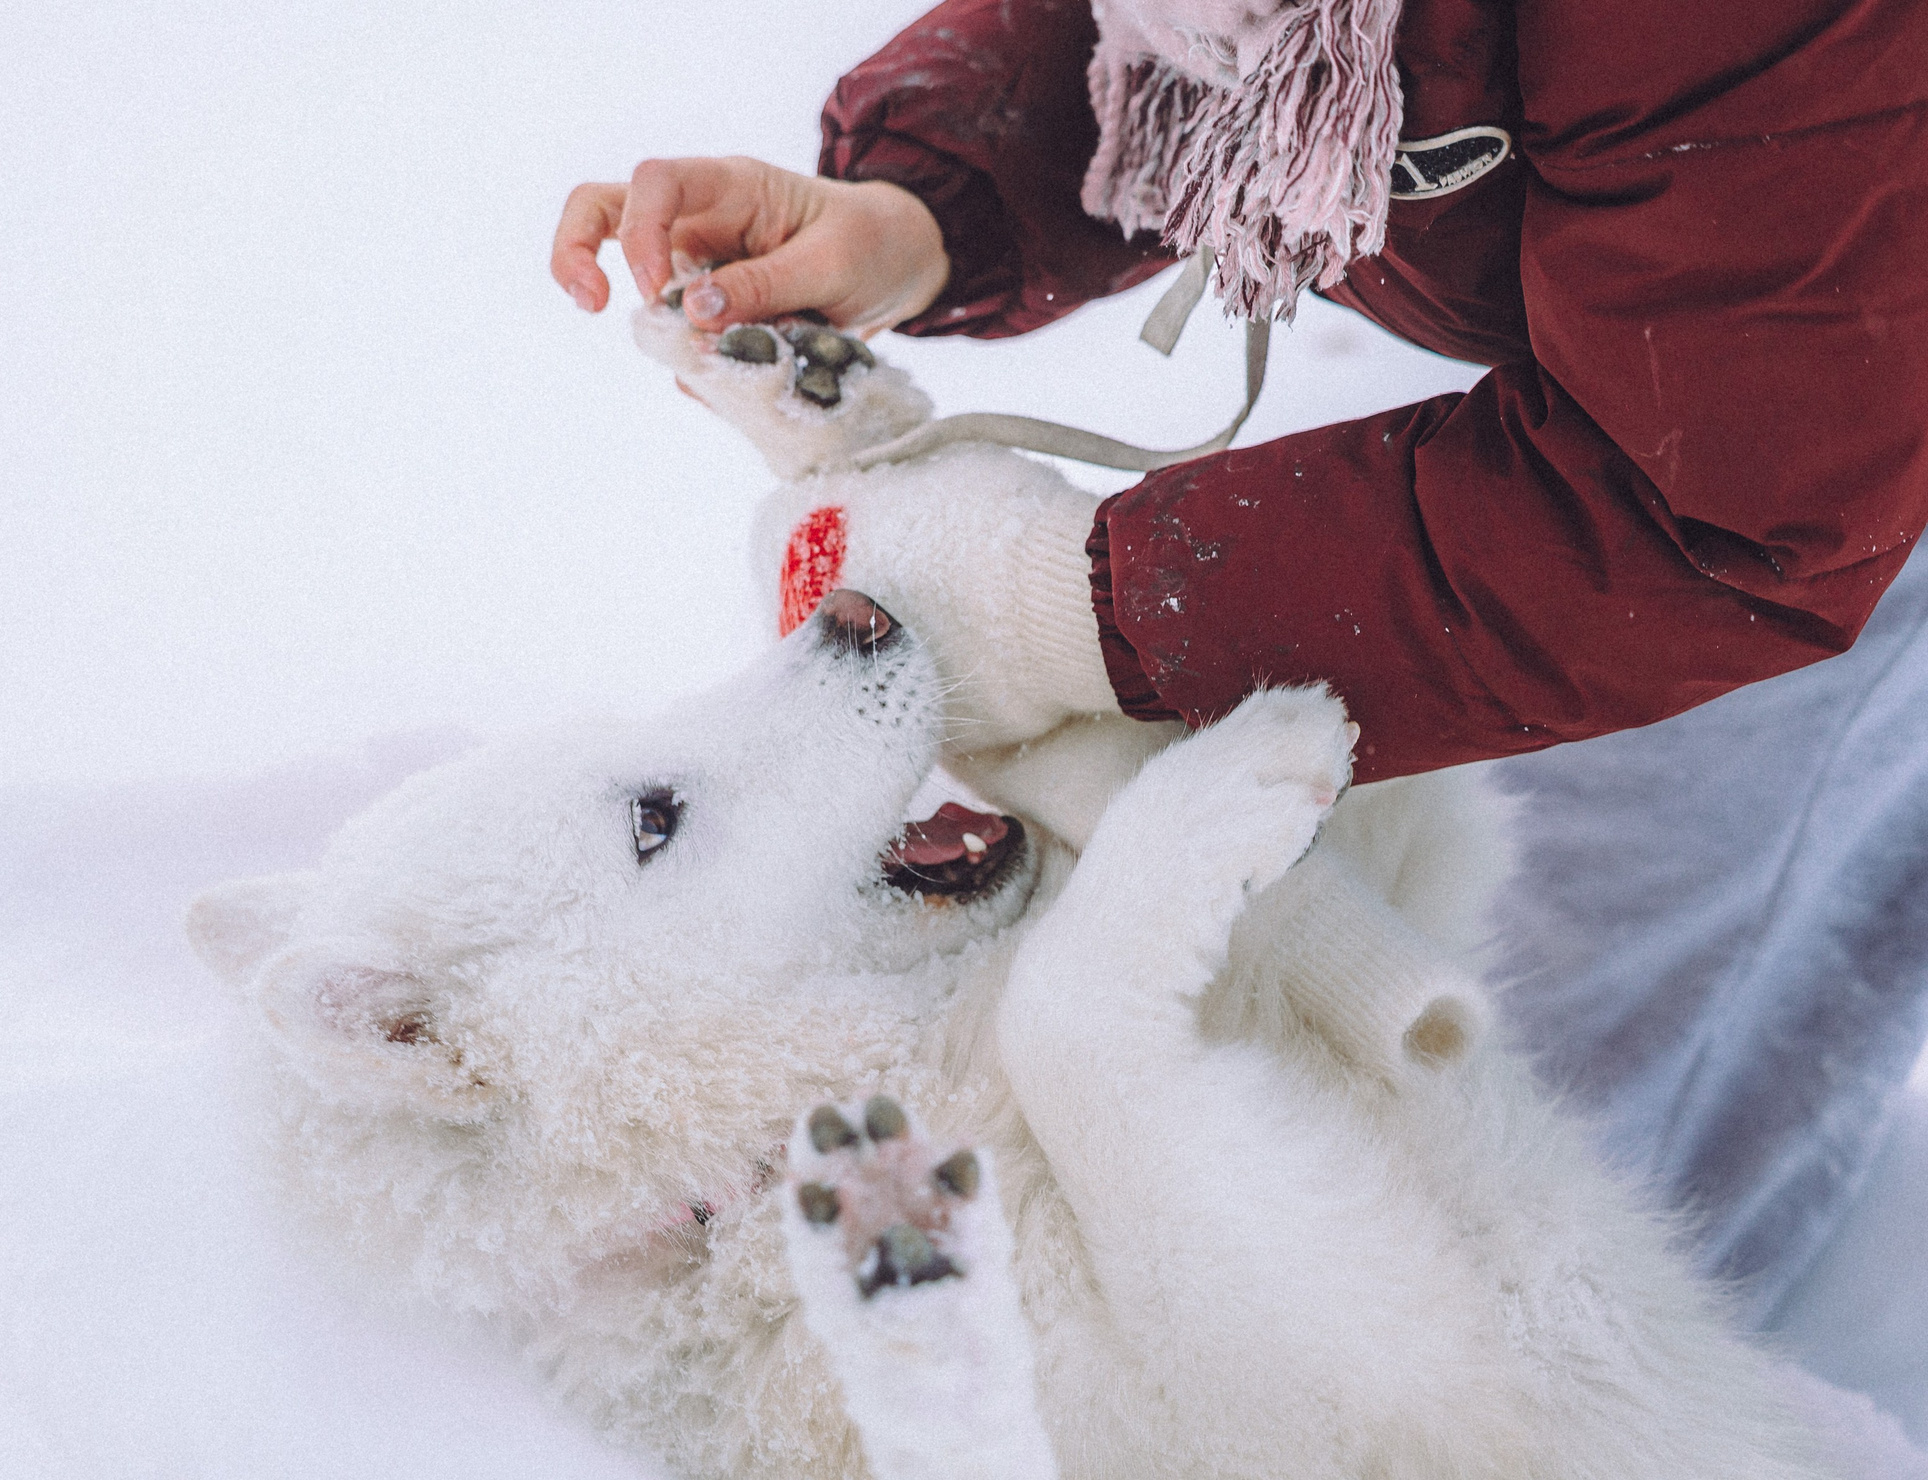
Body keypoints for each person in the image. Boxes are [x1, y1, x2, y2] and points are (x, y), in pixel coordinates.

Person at [549, 0, 1928, 1322]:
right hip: (1745, 345)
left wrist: (1067, 609)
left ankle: (1569, 1405)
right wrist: (925, 209)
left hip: (1782, 441)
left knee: (1569, 1007)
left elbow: (1722, 511)